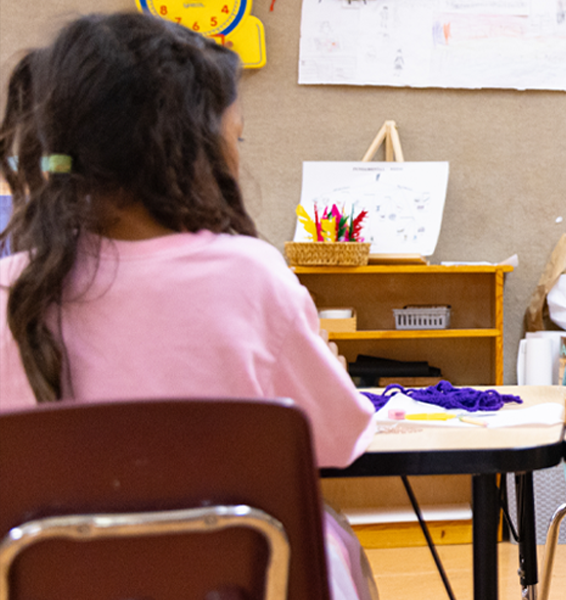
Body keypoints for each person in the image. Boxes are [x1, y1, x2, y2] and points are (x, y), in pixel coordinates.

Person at [0, 13, 378, 599]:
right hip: (228, 586)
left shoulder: (8, 294)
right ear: (194, 148)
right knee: (337, 542)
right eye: (238, 136)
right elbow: (340, 441)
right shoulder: (251, 280)